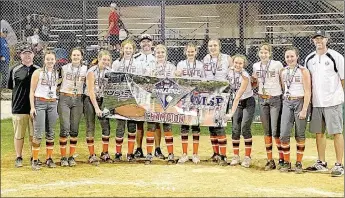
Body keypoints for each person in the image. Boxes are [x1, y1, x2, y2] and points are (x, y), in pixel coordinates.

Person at [304, 30, 344, 177]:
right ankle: (321, 162)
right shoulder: (310, 58)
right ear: (313, 41)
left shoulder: (335, 56)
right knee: (319, 133)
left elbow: (343, 78)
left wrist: (337, 94)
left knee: (336, 132)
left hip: (332, 101)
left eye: (321, 38)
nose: (318, 41)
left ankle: (339, 164)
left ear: (327, 40)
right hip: (316, 102)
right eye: (316, 39)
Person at [252, 43, 284, 171]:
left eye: (266, 52)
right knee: (267, 131)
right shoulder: (256, 66)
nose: (263, 54)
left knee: (275, 130)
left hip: (275, 98)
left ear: (270, 53)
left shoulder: (277, 64)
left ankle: (282, 159)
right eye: (261, 52)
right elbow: (256, 82)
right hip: (262, 98)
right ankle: (270, 160)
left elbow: (283, 81)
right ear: (258, 54)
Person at [133, 34, 165, 160]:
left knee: (156, 122)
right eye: (143, 41)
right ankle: (139, 149)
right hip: (140, 94)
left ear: (152, 43)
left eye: (148, 41)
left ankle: (157, 149)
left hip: (154, 95)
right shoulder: (135, 58)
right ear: (140, 44)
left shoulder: (157, 57)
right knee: (139, 122)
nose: (146, 43)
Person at [279, 47, 311, 173]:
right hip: (287, 102)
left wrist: (304, 109)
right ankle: (287, 162)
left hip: (300, 101)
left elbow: (308, 91)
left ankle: (298, 163)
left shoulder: (303, 71)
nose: (289, 59)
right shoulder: (283, 71)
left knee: (300, 134)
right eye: (287, 57)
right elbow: (284, 87)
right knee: (284, 134)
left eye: (292, 56)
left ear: (297, 56)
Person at [7, 44, 40, 167]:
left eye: (29, 53)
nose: (27, 55)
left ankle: (34, 156)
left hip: (34, 107)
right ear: (20, 55)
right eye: (24, 53)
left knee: (34, 134)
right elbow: (11, 87)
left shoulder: (38, 70)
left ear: (33, 55)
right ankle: (18, 157)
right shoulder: (14, 69)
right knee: (19, 134)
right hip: (19, 107)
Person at [145, 44, 176, 165]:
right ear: (154, 54)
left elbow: (175, 83)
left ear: (166, 54)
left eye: (162, 52)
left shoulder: (171, 67)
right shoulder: (149, 67)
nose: (160, 54)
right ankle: (149, 154)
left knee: (167, 127)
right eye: (158, 53)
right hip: (153, 100)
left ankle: (171, 154)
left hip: (167, 100)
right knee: (151, 127)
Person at [203, 38, 232, 166]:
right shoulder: (205, 59)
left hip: (222, 95)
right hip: (209, 95)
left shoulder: (227, 58)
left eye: (215, 45)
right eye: (210, 46)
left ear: (219, 46)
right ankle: (215, 153)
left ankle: (223, 155)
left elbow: (231, 76)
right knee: (211, 125)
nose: (213, 48)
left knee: (219, 124)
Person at [29, 50, 59, 170]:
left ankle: (49, 158)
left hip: (52, 103)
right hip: (40, 103)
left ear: (55, 60)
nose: (50, 61)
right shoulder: (38, 73)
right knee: (38, 132)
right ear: (44, 60)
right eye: (48, 59)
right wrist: (32, 107)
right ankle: (35, 160)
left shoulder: (57, 73)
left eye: (52, 59)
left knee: (51, 132)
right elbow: (31, 91)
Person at [58, 47, 88, 167]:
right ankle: (63, 157)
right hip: (65, 98)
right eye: (74, 55)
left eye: (78, 55)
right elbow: (56, 82)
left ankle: (71, 156)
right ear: (70, 56)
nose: (76, 57)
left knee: (74, 129)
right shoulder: (64, 68)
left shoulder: (86, 69)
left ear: (81, 57)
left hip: (78, 99)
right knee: (65, 128)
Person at [175, 43, 204, 164]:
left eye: (192, 51)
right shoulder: (181, 64)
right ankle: (184, 154)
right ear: (185, 52)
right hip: (184, 98)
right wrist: (177, 74)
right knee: (185, 125)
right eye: (188, 51)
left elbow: (204, 80)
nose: (190, 53)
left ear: (196, 52)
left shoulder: (200, 65)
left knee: (196, 126)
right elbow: (176, 79)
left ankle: (195, 154)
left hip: (196, 98)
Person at [111, 40, 139, 162]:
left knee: (132, 126)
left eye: (130, 48)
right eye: (126, 48)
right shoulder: (116, 63)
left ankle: (130, 153)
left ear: (133, 50)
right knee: (120, 126)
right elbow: (112, 80)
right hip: (120, 97)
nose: (128, 50)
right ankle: (118, 153)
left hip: (133, 98)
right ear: (122, 49)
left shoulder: (138, 64)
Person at [226, 54, 255, 168]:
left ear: (244, 65)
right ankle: (236, 156)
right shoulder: (229, 72)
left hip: (247, 102)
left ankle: (247, 157)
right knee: (235, 129)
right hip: (236, 103)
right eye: (236, 62)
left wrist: (231, 113)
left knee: (245, 128)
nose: (238, 65)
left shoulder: (245, 76)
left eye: (240, 63)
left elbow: (238, 96)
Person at [84, 50, 113, 165]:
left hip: (103, 99)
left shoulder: (110, 72)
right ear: (99, 59)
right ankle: (92, 155)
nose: (105, 62)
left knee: (106, 126)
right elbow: (91, 91)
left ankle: (105, 153)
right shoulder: (91, 71)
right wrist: (96, 108)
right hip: (90, 100)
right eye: (103, 59)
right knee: (90, 126)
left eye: (108, 60)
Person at [1, 28, 10, 93]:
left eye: (6, 32)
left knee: (5, 74)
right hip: (2, 60)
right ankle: (3, 87)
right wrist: (1, 56)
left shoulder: (4, 40)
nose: (5, 33)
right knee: (5, 74)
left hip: (6, 60)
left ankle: (3, 87)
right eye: (4, 32)